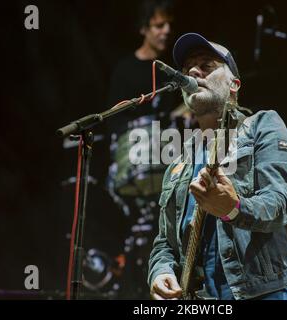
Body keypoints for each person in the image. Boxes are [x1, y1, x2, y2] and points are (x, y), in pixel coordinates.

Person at [148, 33, 287, 300]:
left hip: (272, 291)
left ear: (234, 85)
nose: (192, 71)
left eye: (206, 65)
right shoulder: (178, 165)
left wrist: (234, 209)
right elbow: (164, 243)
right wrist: (160, 271)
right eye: (187, 68)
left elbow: (279, 204)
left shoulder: (263, 126)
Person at [105, 0, 180, 299]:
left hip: (170, 157)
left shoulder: (171, 71)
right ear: (143, 29)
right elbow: (114, 122)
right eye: (159, 26)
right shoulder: (125, 69)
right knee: (142, 234)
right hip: (137, 157)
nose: (166, 31)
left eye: (168, 25)